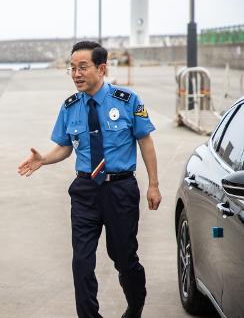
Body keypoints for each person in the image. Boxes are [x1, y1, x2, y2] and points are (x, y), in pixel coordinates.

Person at [18, 41, 162, 318]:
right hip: (84, 190)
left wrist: (153, 185)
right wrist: (43, 159)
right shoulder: (70, 106)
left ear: (102, 68)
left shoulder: (127, 100)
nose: (76, 74)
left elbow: (145, 141)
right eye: (72, 68)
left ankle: (135, 305)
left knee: (124, 258)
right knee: (81, 261)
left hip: (120, 188)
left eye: (83, 67)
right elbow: (64, 146)